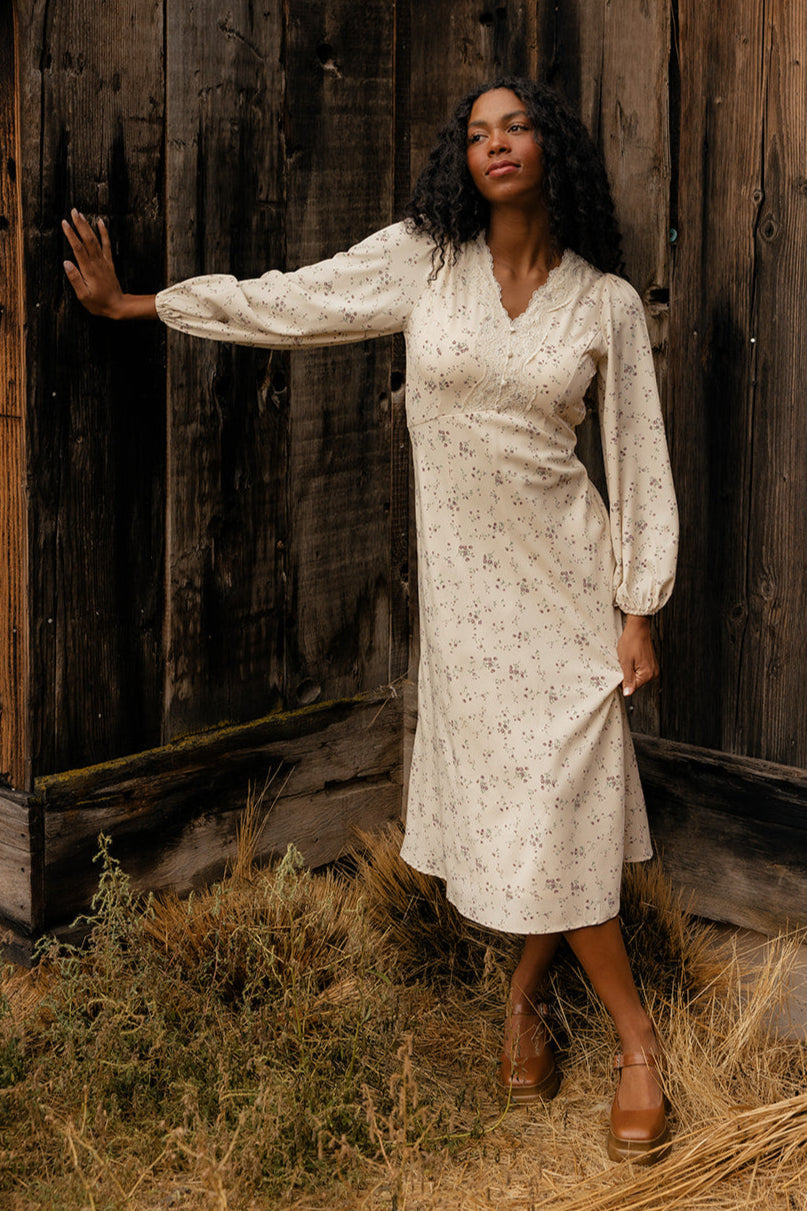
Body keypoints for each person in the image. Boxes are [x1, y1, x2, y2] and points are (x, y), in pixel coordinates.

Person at [63, 76, 678, 1164]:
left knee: (566, 800)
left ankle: (629, 1042)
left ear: (552, 148)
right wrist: (141, 304)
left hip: (571, 586)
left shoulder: (606, 303)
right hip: (474, 602)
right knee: (536, 802)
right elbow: (292, 301)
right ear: (464, 157)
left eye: (516, 126)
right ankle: (530, 1000)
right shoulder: (421, 262)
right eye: (477, 132)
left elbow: (636, 458)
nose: (495, 144)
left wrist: (638, 606)